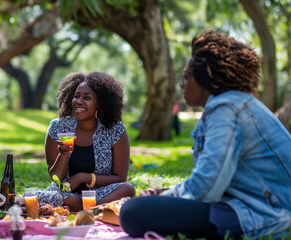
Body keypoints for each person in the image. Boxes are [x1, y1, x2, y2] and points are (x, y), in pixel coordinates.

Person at [119, 30, 291, 239]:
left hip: (266, 214)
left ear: (205, 76)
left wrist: (168, 195)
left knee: (134, 211)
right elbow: (216, 180)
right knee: (142, 207)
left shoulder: (226, 108)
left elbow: (206, 188)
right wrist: (168, 194)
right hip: (249, 204)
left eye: (186, 77)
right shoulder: (231, 103)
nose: (182, 85)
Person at [37, 71, 135, 211]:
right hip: (66, 193)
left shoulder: (115, 130)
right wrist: (63, 154)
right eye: (76, 96)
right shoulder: (58, 127)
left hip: (100, 193)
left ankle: (83, 208)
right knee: (63, 199)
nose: (79, 101)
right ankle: (92, 210)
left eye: (87, 98)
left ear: (100, 104)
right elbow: (55, 178)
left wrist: (83, 177)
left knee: (127, 189)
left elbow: (120, 177)